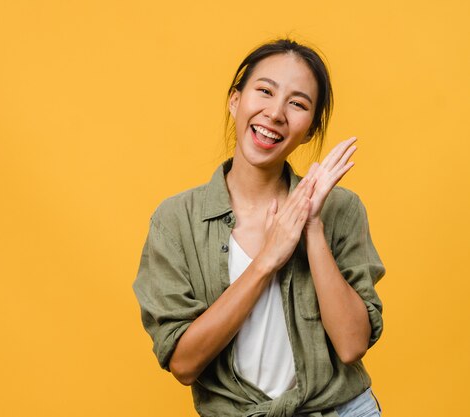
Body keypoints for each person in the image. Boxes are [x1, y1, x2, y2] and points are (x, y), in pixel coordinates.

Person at [133, 39, 385, 417]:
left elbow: (351, 346)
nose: (276, 113)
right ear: (236, 100)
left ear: (311, 129)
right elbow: (184, 365)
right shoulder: (175, 221)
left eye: (297, 103)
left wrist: (311, 226)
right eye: (264, 91)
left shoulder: (341, 210)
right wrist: (268, 259)